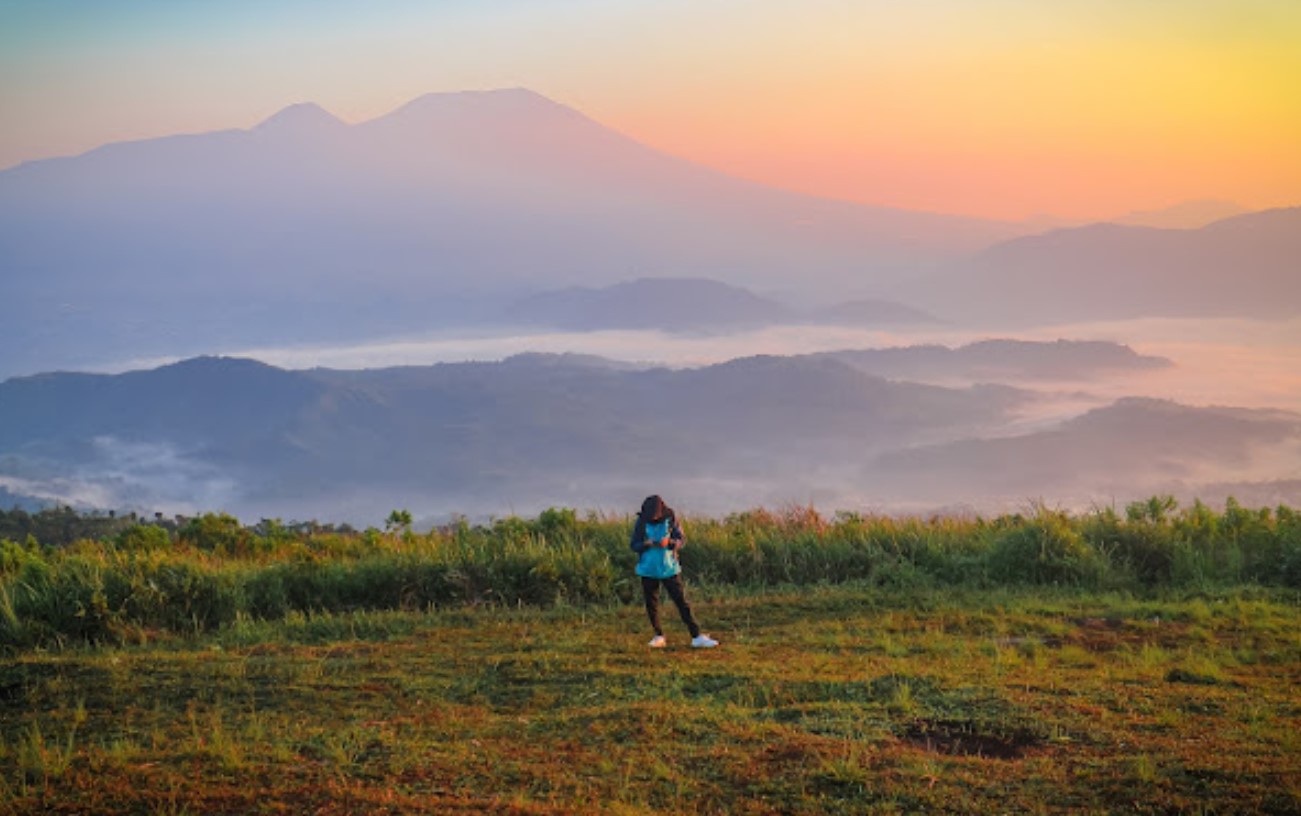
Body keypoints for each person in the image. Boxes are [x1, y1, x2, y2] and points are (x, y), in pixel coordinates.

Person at [630, 495, 718, 649]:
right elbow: (634, 545)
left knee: (682, 603)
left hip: (669, 568)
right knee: (651, 604)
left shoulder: (671, 519)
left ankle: (696, 636)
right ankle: (658, 636)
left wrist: (669, 543)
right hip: (648, 569)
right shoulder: (642, 521)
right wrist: (646, 544)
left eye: (655, 516)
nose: (653, 518)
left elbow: (681, 540)